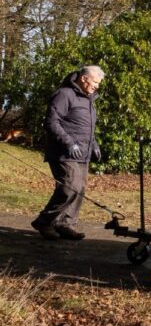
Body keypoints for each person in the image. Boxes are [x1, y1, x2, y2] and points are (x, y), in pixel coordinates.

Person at [31, 66, 105, 241]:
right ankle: (44, 221)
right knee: (69, 186)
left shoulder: (89, 100)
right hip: (63, 152)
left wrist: (94, 145)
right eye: (95, 82)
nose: (97, 86)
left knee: (79, 190)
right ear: (84, 78)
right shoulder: (64, 94)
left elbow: (88, 128)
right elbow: (51, 122)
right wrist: (69, 143)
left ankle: (65, 224)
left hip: (83, 154)